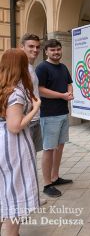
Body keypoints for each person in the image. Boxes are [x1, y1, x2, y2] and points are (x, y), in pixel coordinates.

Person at [0, 49, 41, 236]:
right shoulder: (15, 92)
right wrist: (35, 108)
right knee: (15, 194)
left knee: (7, 188)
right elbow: (15, 126)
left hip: (4, 143)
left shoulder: (3, 87)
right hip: (13, 146)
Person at [36, 39, 74, 198]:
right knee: (49, 149)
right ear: (46, 51)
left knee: (60, 147)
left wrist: (70, 93)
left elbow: (69, 82)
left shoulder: (63, 67)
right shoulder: (42, 68)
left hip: (63, 112)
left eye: (58, 49)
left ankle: (55, 177)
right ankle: (47, 184)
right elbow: (40, 90)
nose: (56, 52)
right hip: (49, 114)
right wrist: (62, 95)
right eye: (53, 50)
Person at [20, 33, 48, 205]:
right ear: (22, 46)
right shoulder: (19, 67)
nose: (35, 50)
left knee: (31, 159)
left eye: (37, 47)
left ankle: (32, 197)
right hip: (26, 121)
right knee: (24, 161)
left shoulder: (31, 67)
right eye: (31, 46)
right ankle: (25, 200)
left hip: (35, 119)